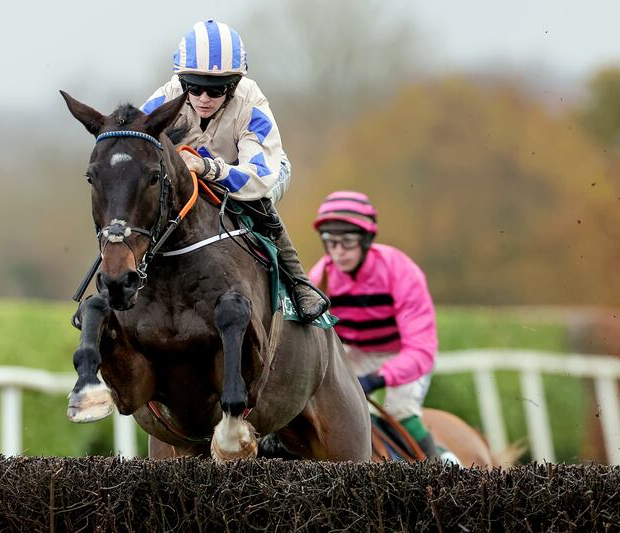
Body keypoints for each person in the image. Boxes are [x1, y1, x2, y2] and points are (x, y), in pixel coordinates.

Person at [140, 19, 327, 323]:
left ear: (235, 84)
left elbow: (256, 177)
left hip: (260, 172)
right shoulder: (163, 99)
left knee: (256, 203)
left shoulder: (252, 103)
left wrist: (207, 167)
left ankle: (300, 284)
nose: (203, 99)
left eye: (215, 91)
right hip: (193, 175)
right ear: (181, 81)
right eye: (194, 88)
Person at [308, 190, 444, 460]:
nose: (338, 251)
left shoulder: (401, 271)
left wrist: (377, 378)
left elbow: (421, 349)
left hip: (405, 354)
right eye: (330, 242)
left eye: (347, 242)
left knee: (400, 411)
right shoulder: (319, 277)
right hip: (356, 353)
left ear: (366, 239)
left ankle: (440, 473)